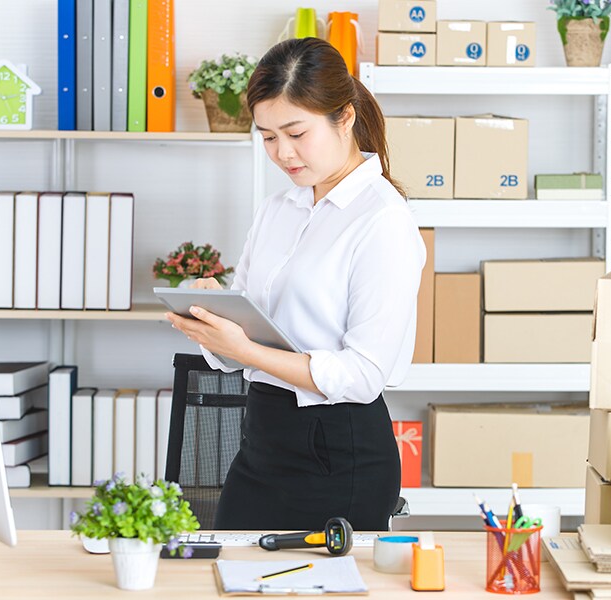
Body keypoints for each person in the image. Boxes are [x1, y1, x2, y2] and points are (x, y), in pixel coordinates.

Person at [166, 37, 425, 531]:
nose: (282, 153)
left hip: (337, 450)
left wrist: (243, 349)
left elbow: (363, 375)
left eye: (296, 133)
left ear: (344, 118)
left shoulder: (383, 220)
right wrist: (213, 320)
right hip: (262, 440)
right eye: (267, 137)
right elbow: (249, 333)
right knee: (229, 577)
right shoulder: (278, 210)